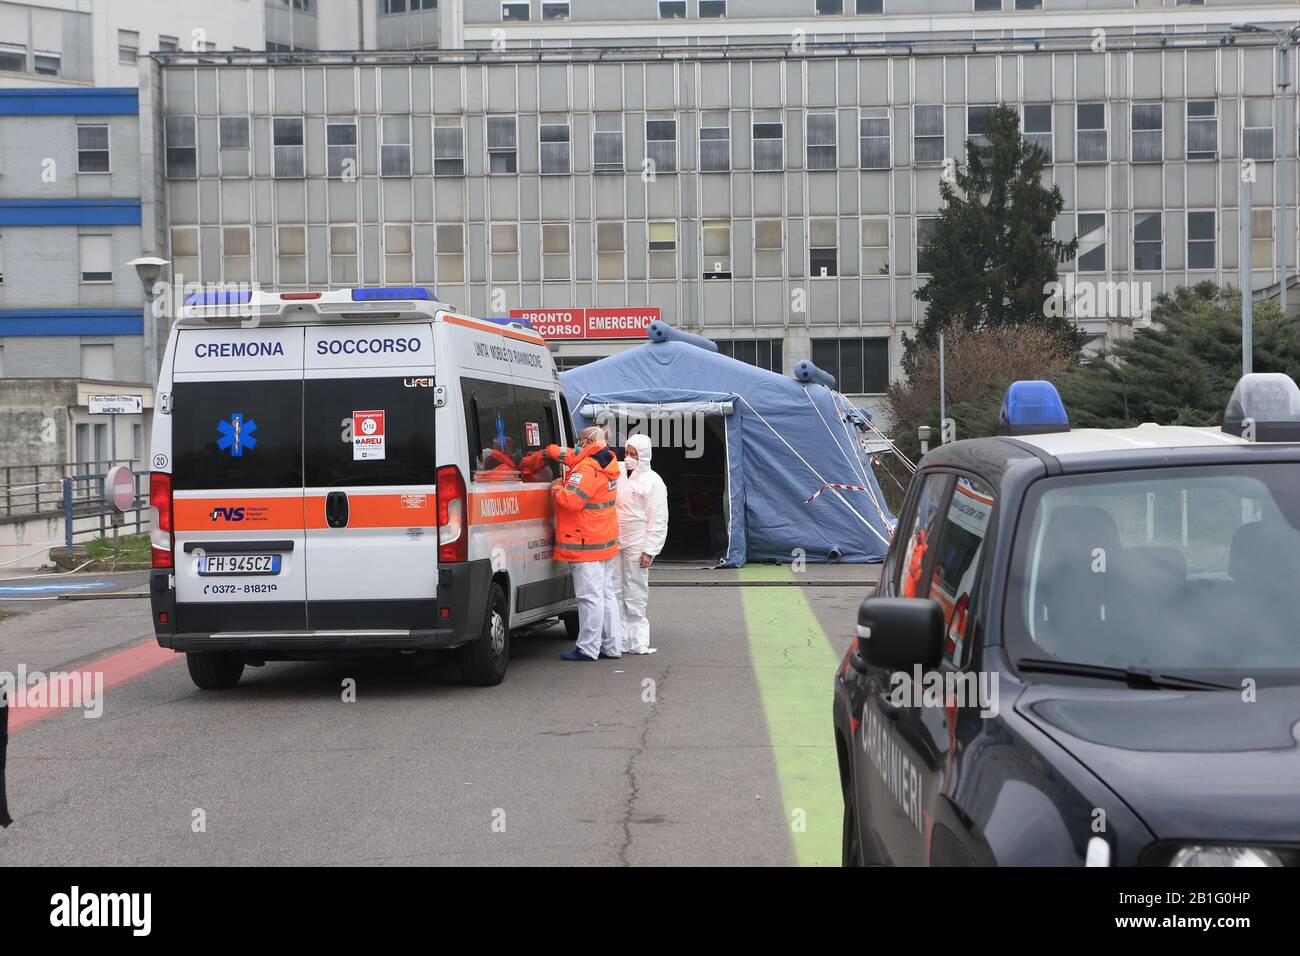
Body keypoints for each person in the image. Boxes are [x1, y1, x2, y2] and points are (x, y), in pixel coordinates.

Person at [547, 426, 624, 661]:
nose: (576, 445)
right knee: (606, 595)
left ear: (587, 441)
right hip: (603, 541)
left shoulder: (587, 468)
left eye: (579, 441)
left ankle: (588, 648)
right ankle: (612, 646)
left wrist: (557, 486)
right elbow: (574, 455)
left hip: (584, 542)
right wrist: (550, 451)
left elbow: (570, 501)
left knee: (589, 598)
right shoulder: (607, 459)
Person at [615, 434, 668, 655]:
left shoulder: (653, 481)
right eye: (626, 452)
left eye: (633, 454)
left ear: (644, 455)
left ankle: (636, 640)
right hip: (615, 537)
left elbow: (658, 517)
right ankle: (615, 638)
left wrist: (650, 550)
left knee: (635, 587)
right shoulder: (618, 473)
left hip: (638, 539)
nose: (628, 457)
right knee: (614, 587)